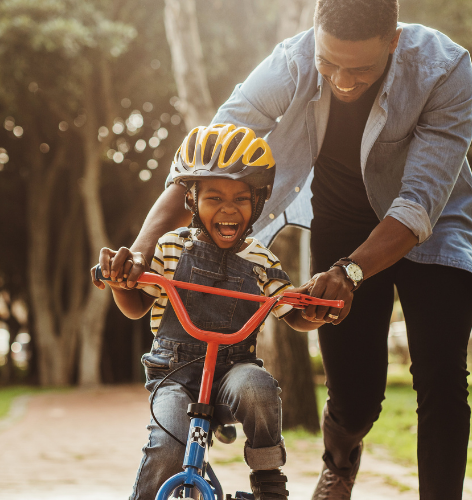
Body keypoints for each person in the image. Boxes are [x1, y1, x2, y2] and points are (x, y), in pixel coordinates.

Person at [98, 1, 472, 498]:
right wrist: (142, 247)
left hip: (431, 225)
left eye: (361, 69)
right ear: (315, 37)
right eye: (330, 64)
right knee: (356, 395)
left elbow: (417, 204)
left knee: (441, 375)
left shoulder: (446, 69)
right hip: (343, 220)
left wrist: (350, 273)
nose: (343, 82)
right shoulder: (292, 60)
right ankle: (341, 460)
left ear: (394, 41)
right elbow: (212, 153)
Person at [94, 124, 327, 500]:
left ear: (259, 201)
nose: (228, 209)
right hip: (175, 374)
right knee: (168, 446)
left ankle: (269, 481)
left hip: (232, 374)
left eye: (241, 198)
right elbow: (137, 306)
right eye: (214, 197)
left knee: (258, 386)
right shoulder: (171, 248)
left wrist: (312, 311)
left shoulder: (261, 261)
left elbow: (290, 310)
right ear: (191, 200)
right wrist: (122, 283)